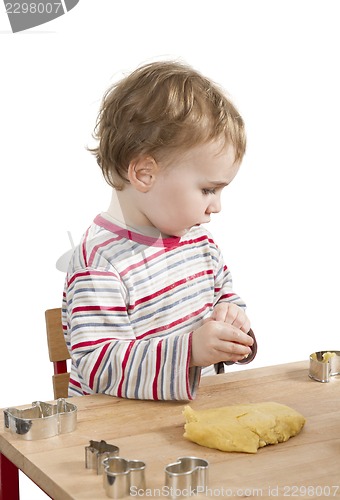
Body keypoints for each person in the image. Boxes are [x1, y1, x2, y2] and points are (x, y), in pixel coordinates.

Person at [62, 60, 257, 401]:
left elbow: (224, 295)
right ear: (145, 174)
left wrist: (233, 320)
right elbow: (99, 367)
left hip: (192, 421)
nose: (216, 206)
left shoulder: (198, 243)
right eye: (208, 189)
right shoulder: (100, 262)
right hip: (118, 436)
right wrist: (190, 352)